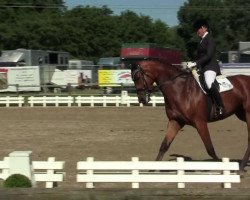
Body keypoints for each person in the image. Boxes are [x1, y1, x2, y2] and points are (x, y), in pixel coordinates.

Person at [187, 19, 224, 117]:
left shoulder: (210, 39)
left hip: (210, 67)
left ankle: (220, 106)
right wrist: (193, 63)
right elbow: (200, 56)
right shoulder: (202, 40)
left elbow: (208, 55)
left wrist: (196, 63)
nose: (196, 32)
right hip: (202, 68)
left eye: (197, 29)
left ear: (203, 28)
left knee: (208, 83)